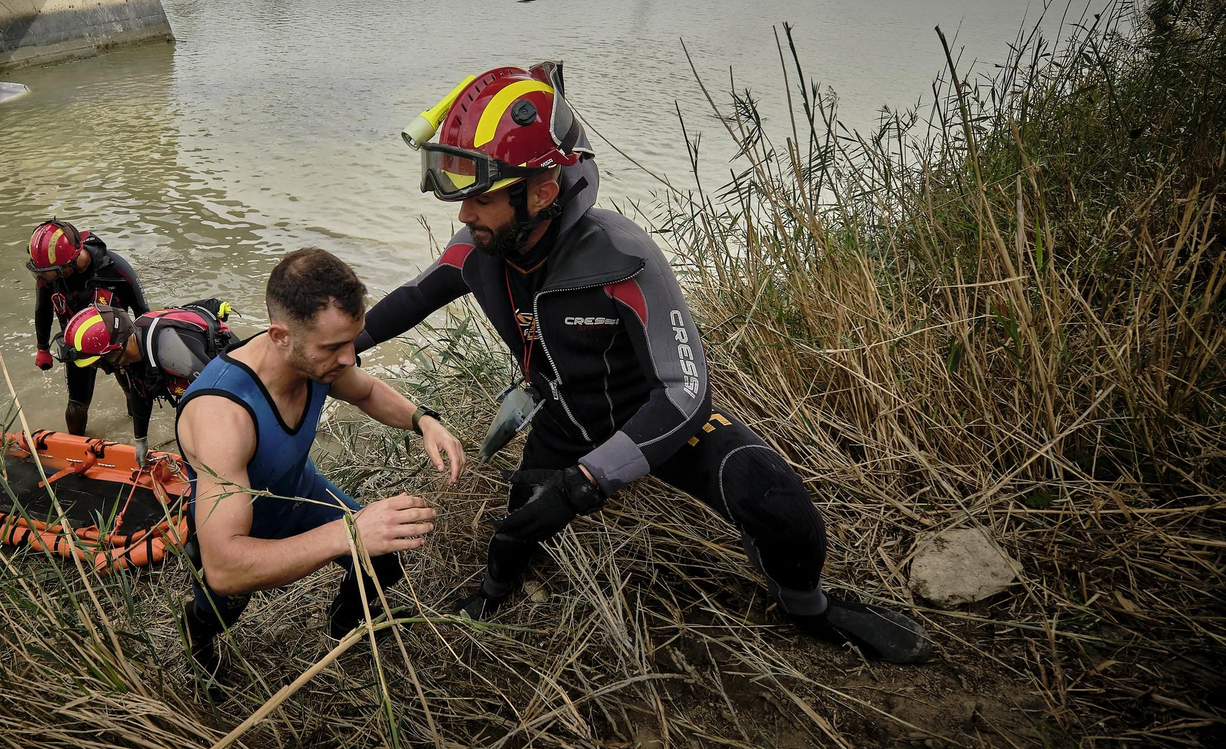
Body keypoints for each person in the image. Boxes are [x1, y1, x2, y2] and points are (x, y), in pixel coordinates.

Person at [355, 62, 931, 663]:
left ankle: (808, 608)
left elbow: (685, 393)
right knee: (514, 533)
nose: (463, 214)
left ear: (542, 192)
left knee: (780, 506)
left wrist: (584, 484)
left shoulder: (621, 256)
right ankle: (495, 595)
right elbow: (399, 308)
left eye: (479, 196)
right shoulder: (477, 251)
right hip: (562, 418)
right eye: (459, 195)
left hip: (654, 423)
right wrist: (302, 352)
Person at [175, 248, 465, 679]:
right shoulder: (223, 415)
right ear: (280, 336)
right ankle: (197, 648)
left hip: (304, 492)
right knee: (220, 609)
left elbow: (366, 392)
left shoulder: (318, 361)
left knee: (383, 560)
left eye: (353, 339)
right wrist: (349, 532)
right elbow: (225, 567)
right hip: (243, 533)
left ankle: (343, 625)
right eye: (334, 346)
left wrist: (423, 421)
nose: (349, 357)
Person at [60, 299, 240, 453]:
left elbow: (223, 392)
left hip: (230, 374)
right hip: (199, 379)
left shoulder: (170, 351)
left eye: (99, 362)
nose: (99, 367)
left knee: (198, 433)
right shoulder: (132, 348)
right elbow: (140, 392)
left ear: (117, 349)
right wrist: (141, 442)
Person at [26, 220, 148, 436]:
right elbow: (42, 311)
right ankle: (74, 447)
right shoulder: (48, 276)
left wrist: (146, 353)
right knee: (76, 404)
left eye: (51, 273)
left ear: (71, 260)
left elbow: (142, 312)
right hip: (77, 346)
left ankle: (137, 435)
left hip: (117, 345)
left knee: (132, 390)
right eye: (41, 273)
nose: (45, 278)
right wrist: (42, 348)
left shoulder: (115, 269)